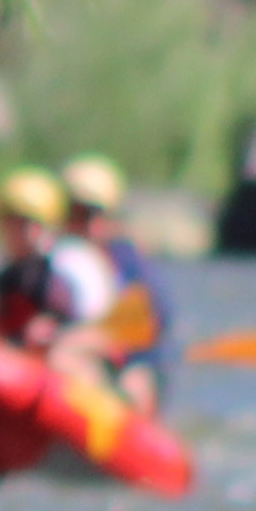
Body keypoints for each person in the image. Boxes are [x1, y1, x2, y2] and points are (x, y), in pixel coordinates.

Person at [0, 168, 112, 365]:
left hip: (70, 356)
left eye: (24, 222)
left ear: (45, 225)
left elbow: (99, 329)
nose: (15, 231)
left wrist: (56, 334)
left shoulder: (73, 264)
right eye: (9, 222)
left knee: (60, 357)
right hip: (16, 359)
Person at [60, 156, 170, 385]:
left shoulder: (125, 261)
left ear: (109, 218)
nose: (85, 225)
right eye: (75, 214)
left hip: (127, 363)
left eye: (92, 215)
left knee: (135, 380)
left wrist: (83, 340)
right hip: (62, 358)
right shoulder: (49, 257)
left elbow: (154, 318)